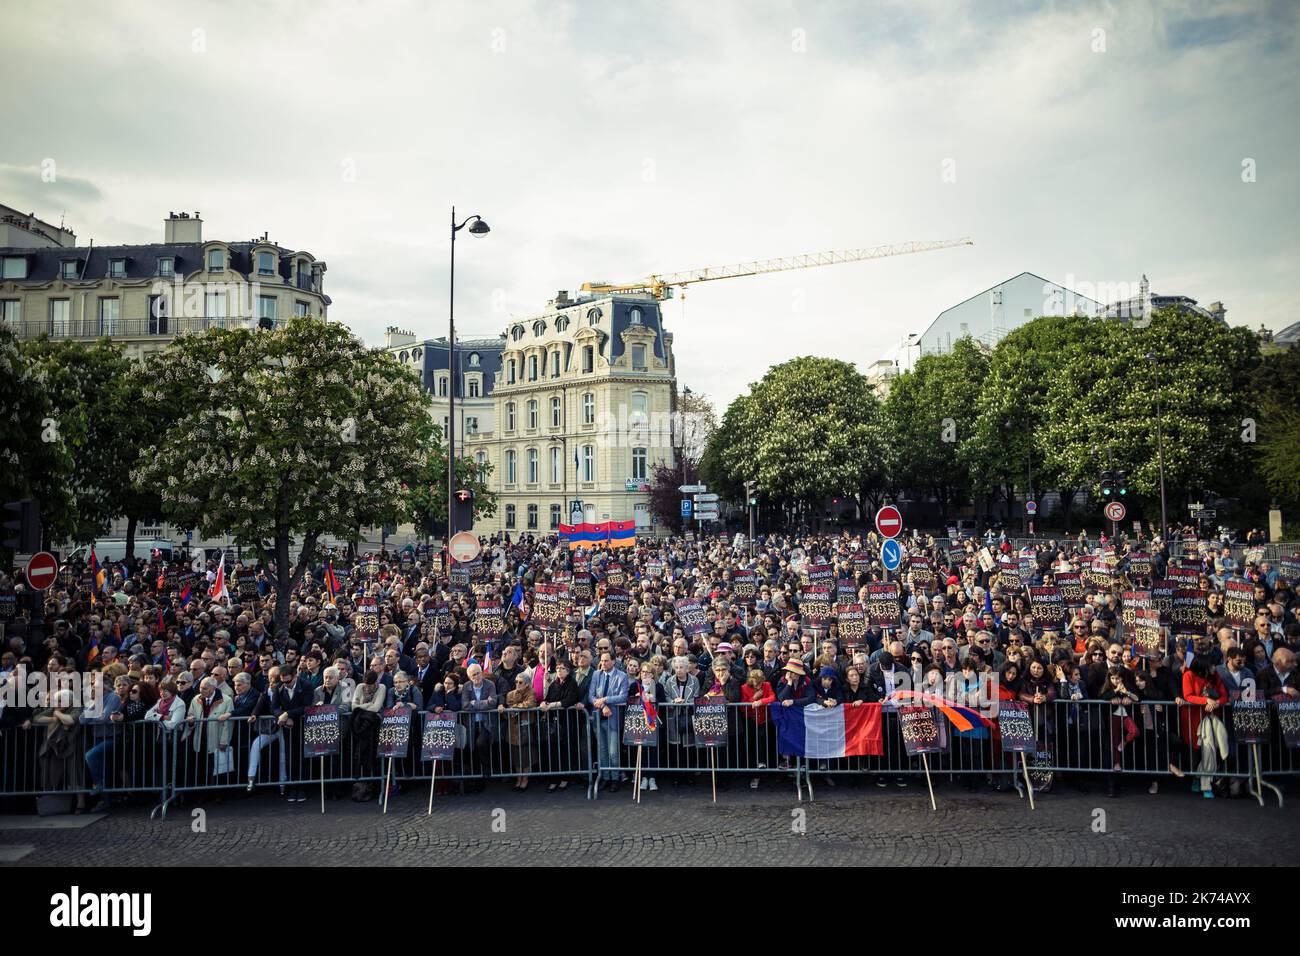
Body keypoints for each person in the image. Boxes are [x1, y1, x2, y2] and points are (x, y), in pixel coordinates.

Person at [1182, 657, 1230, 799]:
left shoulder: (1216, 676)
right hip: (1194, 718)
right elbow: (1188, 696)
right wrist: (1205, 701)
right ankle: (1200, 781)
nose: (1215, 668)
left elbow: (1224, 696)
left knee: (1210, 750)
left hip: (1212, 717)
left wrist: (1216, 703)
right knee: (1201, 750)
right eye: (1212, 665)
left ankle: (1201, 780)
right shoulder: (1189, 675)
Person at [587, 651, 629, 792]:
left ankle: (615, 778)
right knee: (602, 750)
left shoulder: (621, 676)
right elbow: (591, 696)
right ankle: (605, 776)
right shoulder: (596, 674)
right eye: (602, 661)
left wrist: (605, 700)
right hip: (598, 718)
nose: (603, 663)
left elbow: (623, 696)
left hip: (614, 719)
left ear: (613, 661)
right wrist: (603, 705)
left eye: (606, 661)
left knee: (613, 752)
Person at [541, 659, 581, 791]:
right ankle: (554, 777)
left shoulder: (572, 683)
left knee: (566, 750)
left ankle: (565, 777)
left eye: (562, 668)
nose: (559, 670)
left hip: (567, 721)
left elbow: (569, 700)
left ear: (568, 671)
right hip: (554, 721)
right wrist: (544, 703)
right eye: (557, 668)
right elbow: (547, 698)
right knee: (553, 750)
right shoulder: (554, 684)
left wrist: (552, 705)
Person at [460, 663, 498, 792]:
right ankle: (478, 780)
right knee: (473, 750)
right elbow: (464, 705)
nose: (477, 676)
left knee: (481, 744)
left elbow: (493, 702)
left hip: (486, 723)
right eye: (473, 674)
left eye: (478, 673)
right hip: (472, 723)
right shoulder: (466, 687)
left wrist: (474, 704)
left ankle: (487, 768)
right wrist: (483, 703)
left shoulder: (489, 685)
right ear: (469, 677)